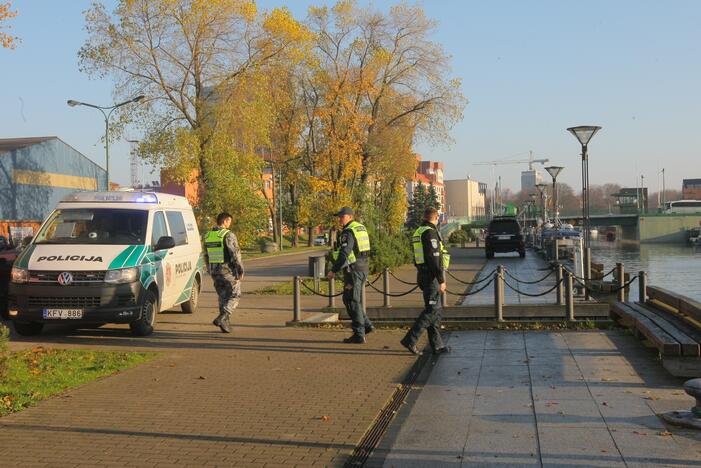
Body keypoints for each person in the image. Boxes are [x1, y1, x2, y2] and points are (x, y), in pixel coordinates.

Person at [400, 207, 451, 355]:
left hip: (423, 274)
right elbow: (433, 258)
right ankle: (410, 339)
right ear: (436, 218)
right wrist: (441, 280)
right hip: (431, 277)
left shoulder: (419, 231)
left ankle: (437, 345)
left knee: (435, 310)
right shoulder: (430, 232)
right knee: (432, 310)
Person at [327, 207, 374, 343]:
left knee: (351, 301)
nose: (339, 219)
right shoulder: (360, 227)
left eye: (342, 216)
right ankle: (366, 326)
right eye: (339, 217)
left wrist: (333, 270)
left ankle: (359, 334)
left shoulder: (349, 231)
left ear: (349, 216)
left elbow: (345, 253)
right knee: (351, 299)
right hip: (362, 267)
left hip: (353, 270)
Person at [204, 212, 244, 333]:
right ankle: (223, 316)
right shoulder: (228, 234)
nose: (230, 224)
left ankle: (225, 324)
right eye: (229, 221)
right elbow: (235, 253)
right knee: (235, 295)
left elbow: (206, 255)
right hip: (227, 271)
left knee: (223, 297)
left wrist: (210, 269)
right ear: (225, 221)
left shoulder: (208, 235)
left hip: (214, 272)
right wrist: (240, 269)